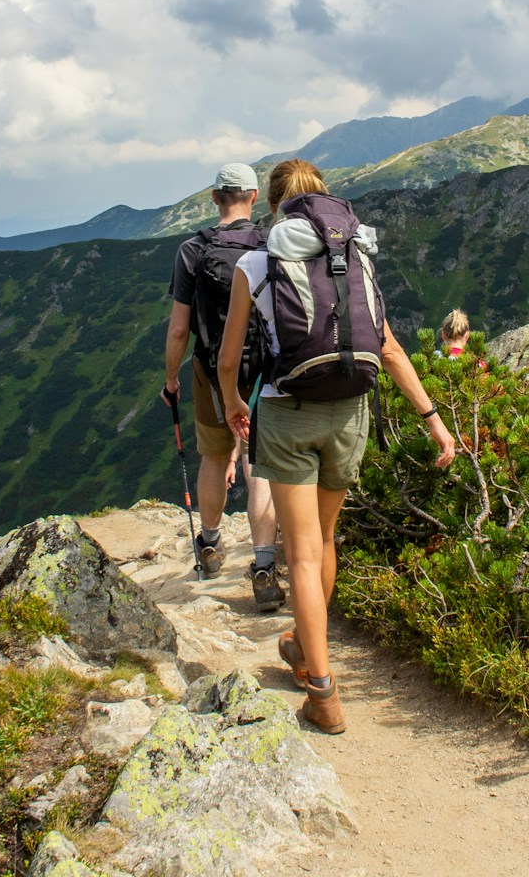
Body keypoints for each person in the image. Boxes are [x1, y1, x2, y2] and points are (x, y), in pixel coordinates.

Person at [219, 158, 460, 735]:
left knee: (298, 552)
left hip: (288, 410)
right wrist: (433, 420)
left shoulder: (256, 262)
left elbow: (229, 358)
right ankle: (303, 649)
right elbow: (391, 347)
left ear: (274, 205)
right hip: (351, 410)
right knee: (325, 541)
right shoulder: (355, 256)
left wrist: (232, 401)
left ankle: (322, 693)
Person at [162, 162, 284, 612]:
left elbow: (179, 330)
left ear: (215, 199)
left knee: (214, 456)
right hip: (266, 371)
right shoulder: (270, 244)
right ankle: (265, 566)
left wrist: (172, 379)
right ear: (254, 198)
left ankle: (210, 545)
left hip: (211, 368)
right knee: (260, 465)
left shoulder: (192, 251)